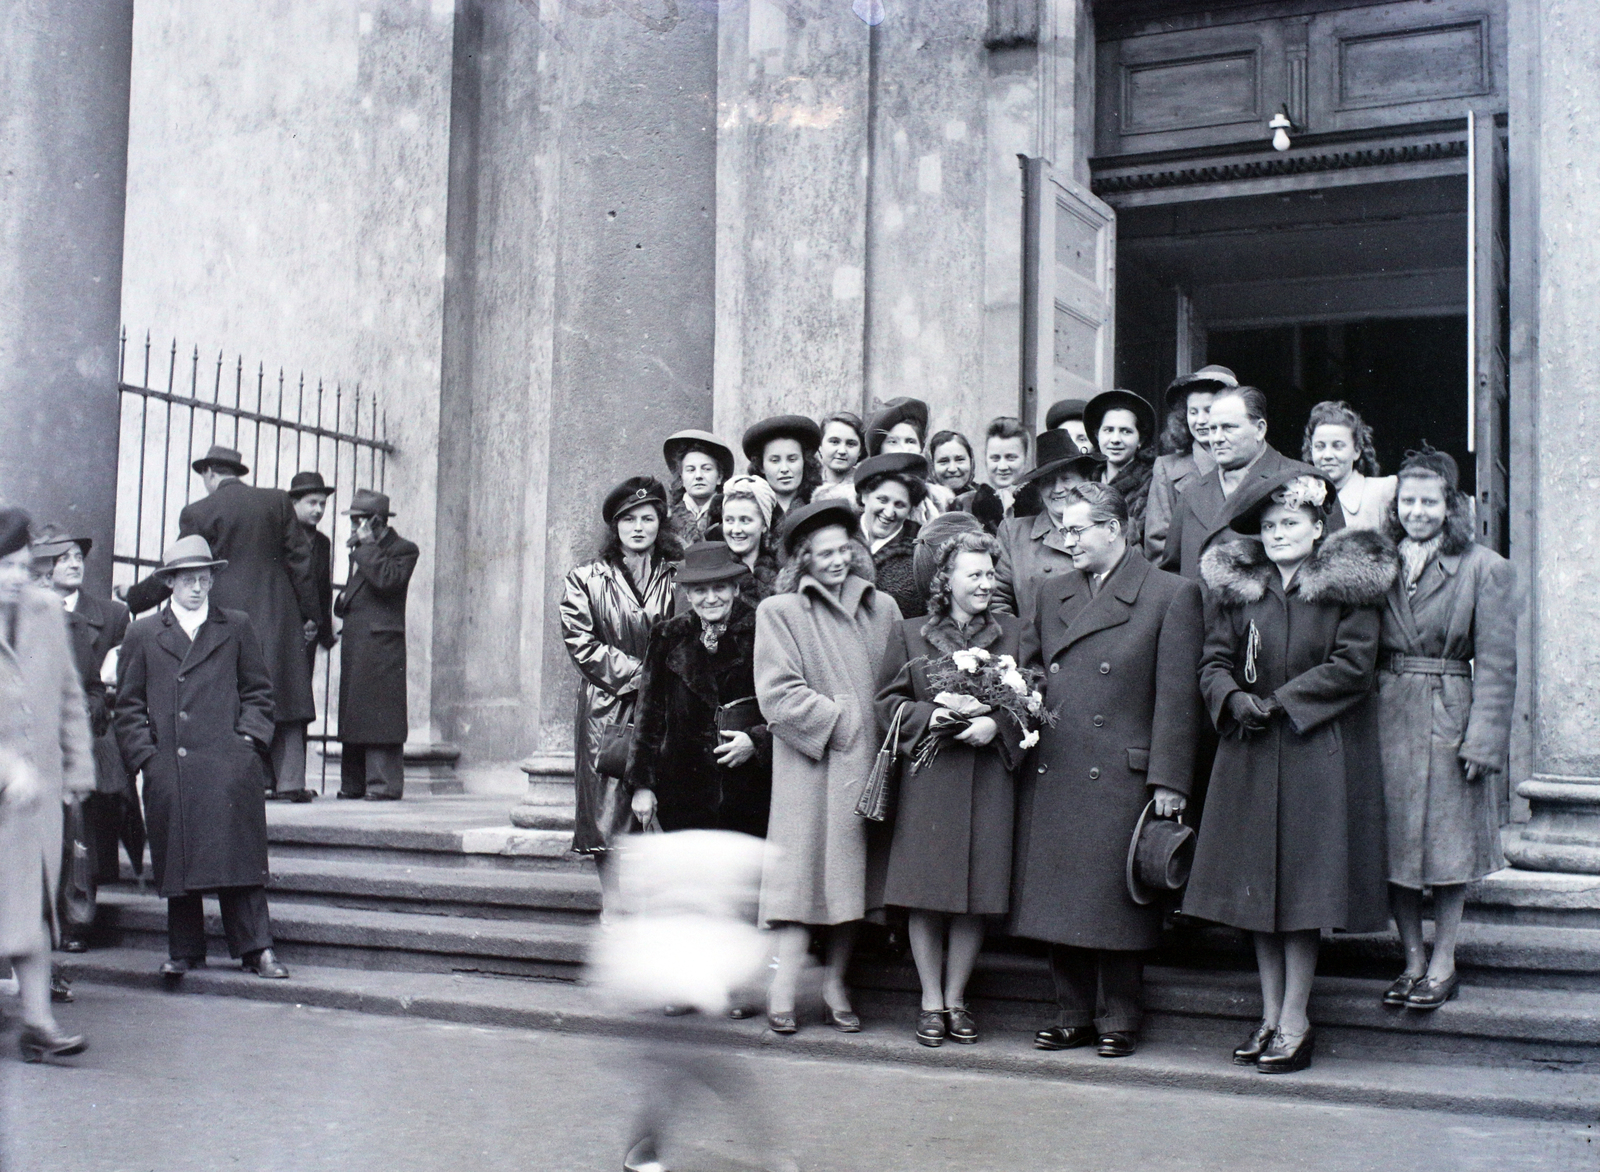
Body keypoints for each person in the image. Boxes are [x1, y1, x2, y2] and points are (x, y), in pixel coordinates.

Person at [1187, 473, 1394, 1074]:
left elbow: (1353, 666)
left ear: (1317, 528)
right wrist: (1230, 698)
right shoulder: (1242, 591)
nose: (1279, 533)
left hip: (1312, 752)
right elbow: (1214, 658)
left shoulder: (1344, 591)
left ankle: (1297, 1020)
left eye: (1291, 524)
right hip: (1250, 750)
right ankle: (1270, 1015)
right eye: (1270, 526)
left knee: (1301, 892)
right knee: (1257, 890)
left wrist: (1281, 702)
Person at [1014, 483, 1205, 1060]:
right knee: (1061, 894)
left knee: (1116, 898)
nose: (1065, 540)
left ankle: (1119, 1016)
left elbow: (1178, 702)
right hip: (1057, 760)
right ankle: (1070, 1011)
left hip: (1122, 770)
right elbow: (1029, 668)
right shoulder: (1051, 593)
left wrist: (1170, 780)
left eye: (1076, 530)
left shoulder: (1170, 594)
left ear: (1115, 528)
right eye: (1060, 529)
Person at [754, 499, 901, 1035]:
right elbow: (776, 694)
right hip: (809, 772)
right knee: (798, 889)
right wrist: (842, 721)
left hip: (866, 770)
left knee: (852, 890)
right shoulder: (780, 612)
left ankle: (837, 983)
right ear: (803, 560)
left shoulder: (881, 608)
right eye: (825, 554)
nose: (838, 561)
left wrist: (877, 729)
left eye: (845, 549)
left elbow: (895, 682)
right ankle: (783, 986)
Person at [1376, 447, 1516, 1011]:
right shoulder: (1377, 563)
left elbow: (1500, 662)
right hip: (1384, 713)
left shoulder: (1485, 567)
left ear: (1451, 506)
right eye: (1407, 501)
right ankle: (1411, 958)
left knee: (1447, 846)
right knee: (1394, 848)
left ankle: (1444, 959)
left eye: (1429, 501)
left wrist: (1483, 740)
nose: (1417, 511)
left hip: (1449, 712)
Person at [113, 535, 290, 981]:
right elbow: (128, 704)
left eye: (204, 578)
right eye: (187, 579)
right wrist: (146, 758)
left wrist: (248, 742)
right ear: (170, 582)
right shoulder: (144, 632)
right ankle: (184, 949)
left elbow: (258, 691)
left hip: (229, 760)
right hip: (170, 762)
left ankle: (257, 949)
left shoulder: (235, 626)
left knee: (241, 856)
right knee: (178, 857)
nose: (197, 587)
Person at [875, 530, 1025, 1048]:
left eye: (991, 574)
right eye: (975, 574)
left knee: (975, 894)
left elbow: (1033, 701)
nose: (987, 583)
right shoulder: (910, 633)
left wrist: (998, 726)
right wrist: (929, 714)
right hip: (929, 778)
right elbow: (887, 704)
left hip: (987, 779)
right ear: (946, 580)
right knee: (926, 895)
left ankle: (957, 1001)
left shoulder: (1013, 634)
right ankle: (929, 1001)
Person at [127, 445, 321, 801]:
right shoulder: (277, 502)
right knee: (286, 689)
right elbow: (300, 562)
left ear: (210, 474)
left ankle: (256, 778)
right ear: (237, 472)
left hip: (227, 615)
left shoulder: (199, 511)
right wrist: (311, 614)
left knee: (238, 691)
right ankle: (291, 780)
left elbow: (183, 565)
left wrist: (134, 598)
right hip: (278, 611)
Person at [0, 510, 96, 1062]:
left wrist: (79, 770)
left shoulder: (45, 612)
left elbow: (68, 697)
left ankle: (39, 1025)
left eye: (22, 566)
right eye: (5, 566)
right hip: (9, 787)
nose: (17, 577)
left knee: (31, 911)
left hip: (34, 801)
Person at [561, 477, 681, 883]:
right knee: (608, 813)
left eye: (648, 518)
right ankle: (612, 906)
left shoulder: (678, 576)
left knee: (664, 803)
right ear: (615, 527)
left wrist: (664, 682)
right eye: (628, 519)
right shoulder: (586, 579)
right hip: (607, 707)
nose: (638, 527)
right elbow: (582, 643)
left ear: (660, 524)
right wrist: (643, 675)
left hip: (667, 704)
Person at [627, 542, 772, 840]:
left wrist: (756, 742)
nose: (710, 598)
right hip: (683, 794)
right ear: (687, 593)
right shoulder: (667, 635)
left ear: (735, 588)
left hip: (751, 792)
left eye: (719, 587)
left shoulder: (765, 631)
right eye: (700, 590)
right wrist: (643, 786)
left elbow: (786, 705)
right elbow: (648, 717)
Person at [30, 527, 141, 906]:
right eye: (64, 558)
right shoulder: (22, 614)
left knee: (90, 806)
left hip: (91, 731)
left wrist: (84, 711)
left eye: (78, 557)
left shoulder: (111, 614)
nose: (74, 564)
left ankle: (80, 905)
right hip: (37, 734)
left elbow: (115, 684)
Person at [1160, 387, 1317, 580]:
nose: (1216, 438)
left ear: (1259, 429)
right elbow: (1171, 574)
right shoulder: (1191, 493)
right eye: (1212, 429)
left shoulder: (1304, 479)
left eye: (1228, 428)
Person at [333, 490, 420, 801]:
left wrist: (367, 546)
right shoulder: (362, 549)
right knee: (355, 714)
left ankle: (382, 785)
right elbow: (358, 587)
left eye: (358, 521)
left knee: (380, 715)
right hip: (358, 642)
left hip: (382, 645)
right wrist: (342, 601)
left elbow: (388, 581)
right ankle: (354, 782)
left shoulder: (404, 549)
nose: (354, 527)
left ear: (376, 522)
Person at [990, 429, 1105, 618]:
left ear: (1085, 480)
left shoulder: (1110, 528)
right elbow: (997, 600)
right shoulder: (1014, 534)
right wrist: (1023, 642)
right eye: (1048, 481)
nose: (1058, 489)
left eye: (1066, 478)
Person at [1145, 365, 1235, 564]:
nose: (1200, 420)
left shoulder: (1249, 465)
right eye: (1193, 412)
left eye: (1208, 411)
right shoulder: (1167, 469)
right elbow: (1159, 547)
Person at [853, 452, 928, 619]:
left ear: (910, 509)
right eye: (882, 500)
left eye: (900, 505)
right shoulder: (838, 535)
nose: (889, 512)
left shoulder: (921, 550)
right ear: (865, 495)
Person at [1303, 401, 1396, 531]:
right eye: (1320, 446)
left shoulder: (1382, 491)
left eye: (1338, 446)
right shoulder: (1304, 498)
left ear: (1357, 450)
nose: (1327, 455)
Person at [1084, 390, 1157, 548]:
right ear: (1097, 435)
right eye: (1108, 430)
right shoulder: (1086, 479)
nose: (1115, 440)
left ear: (1140, 440)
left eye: (1126, 431)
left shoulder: (1153, 482)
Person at [865, 398, 955, 523]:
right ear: (879, 450)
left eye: (910, 441)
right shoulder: (863, 499)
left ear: (920, 447)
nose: (903, 449)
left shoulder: (939, 501)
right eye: (893, 442)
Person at [288, 472, 337, 684]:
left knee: (302, 690)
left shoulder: (323, 543)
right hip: (283, 627)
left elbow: (323, 587)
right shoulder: (280, 538)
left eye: (323, 504)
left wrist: (318, 624)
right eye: (312, 503)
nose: (318, 510)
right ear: (294, 502)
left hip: (309, 633)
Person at [710, 475, 780, 604]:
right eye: (729, 520)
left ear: (764, 525)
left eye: (745, 520)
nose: (736, 529)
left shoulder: (783, 571)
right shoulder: (709, 569)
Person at [742, 415, 823, 527]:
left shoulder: (820, 506)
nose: (784, 469)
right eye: (775, 460)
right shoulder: (746, 508)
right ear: (761, 466)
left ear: (805, 462)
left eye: (792, 459)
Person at [663, 429, 736, 547]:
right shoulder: (667, 517)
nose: (698, 476)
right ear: (681, 477)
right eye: (691, 470)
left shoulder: (731, 514)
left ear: (719, 477)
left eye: (706, 469)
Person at [958, 417, 1031, 534]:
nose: (1002, 467)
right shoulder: (966, 506)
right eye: (995, 458)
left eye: (1011, 458)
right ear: (986, 459)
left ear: (1026, 459)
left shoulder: (1041, 505)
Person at [817, 411, 866, 491]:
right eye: (834, 442)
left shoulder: (865, 486)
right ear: (820, 446)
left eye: (851, 444)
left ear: (860, 450)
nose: (842, 451)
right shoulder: (807, 484)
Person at [927, 430, 975, 497]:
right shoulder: (921, 501)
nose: (952, 469)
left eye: (959, 460)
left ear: (971, 462)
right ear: (932, 466)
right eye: (943, 461)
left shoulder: (984, 499)